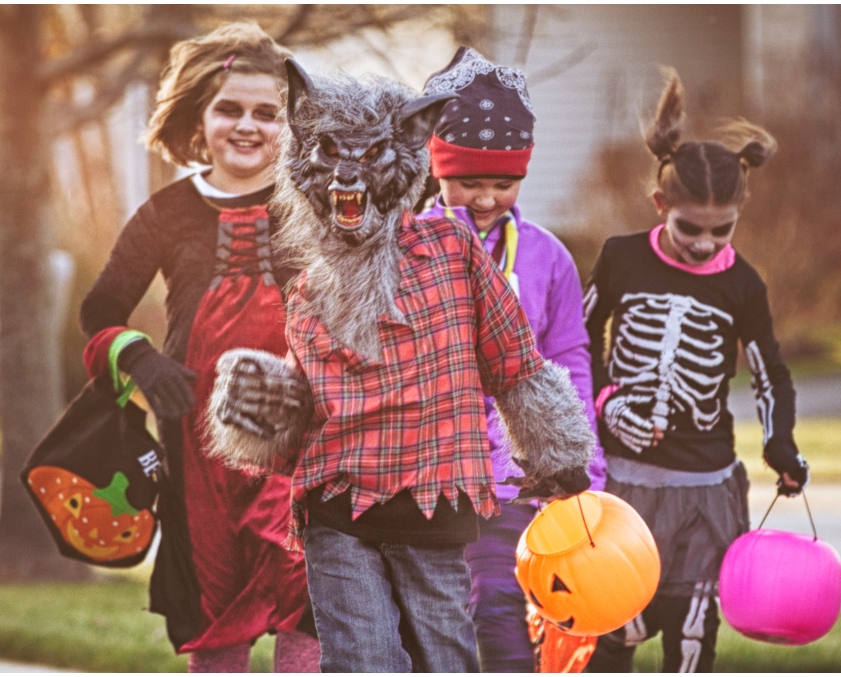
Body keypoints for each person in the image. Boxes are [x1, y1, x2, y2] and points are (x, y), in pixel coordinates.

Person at [202, 59, 597, 673]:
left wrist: (563, 458)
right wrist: (261, 406)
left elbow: (515, 362)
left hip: (436, 500)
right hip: (337, 508)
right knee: (363, 658)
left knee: (444, 655)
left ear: (409, 155)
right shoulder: (307, 291)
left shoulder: (451, 250)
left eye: (371, 154)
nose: (350, 174)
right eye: (332, 153)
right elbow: (303, 421)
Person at [78, 23, 318, 673]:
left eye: (267, 113)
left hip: (305, 440)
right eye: (229, 109)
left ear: (291, 124)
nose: (248, 126)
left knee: (310, 602)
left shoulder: (317, 205)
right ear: (199, 117)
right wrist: (140, 356)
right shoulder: (166, 213)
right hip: (197, 446)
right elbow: (97, 314)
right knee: (214, 609)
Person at [582, 68, 809, 673]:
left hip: (704, 488)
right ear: (661, 205)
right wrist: (606, 403)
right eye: (689, 228)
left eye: (722, 230)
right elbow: (579, 339)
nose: (705, 245)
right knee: (612, 625)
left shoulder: (743, 284)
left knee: (690, 632)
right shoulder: (621, 258)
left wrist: (780, 444)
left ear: (740, 211)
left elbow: (769, 374)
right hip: (623, 482)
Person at [415, 46, 606, 672]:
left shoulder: (548, 259)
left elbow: (569, 359)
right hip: (422, 481)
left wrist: (582, 466)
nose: (488, 197)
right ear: (437, 167)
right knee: (429, 624)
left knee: (498, 610)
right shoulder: (404, 247)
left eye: (505, 181)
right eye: (470, 180)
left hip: (511, 484)